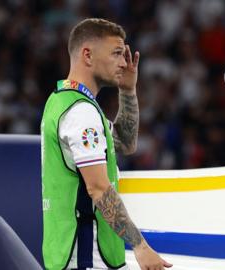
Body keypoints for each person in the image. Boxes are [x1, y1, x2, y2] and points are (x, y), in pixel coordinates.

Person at [40, 18, 173, 270]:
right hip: (86, 255)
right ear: (87, 55)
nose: (124, 62)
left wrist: (128, 91)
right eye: (116, 54)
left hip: (73, 252)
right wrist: (140, 246)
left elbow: (124, 143)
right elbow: (98, 188)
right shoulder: (81, 113)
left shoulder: (64, 101)